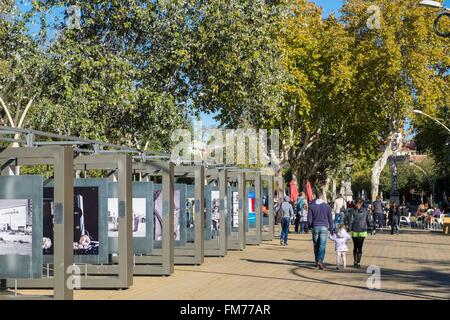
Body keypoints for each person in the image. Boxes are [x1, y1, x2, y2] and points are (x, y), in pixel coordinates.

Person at [307, 192, 333, 270]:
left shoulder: (312, 206)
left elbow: (309, 219)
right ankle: (320, 261)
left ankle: (316, 261)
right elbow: (330, 219)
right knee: (322, 245)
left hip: (315, 227)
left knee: (316, 245)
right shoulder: (327, 207)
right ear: (322, 196)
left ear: (316, 196)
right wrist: (332, 229)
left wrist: (310, 226)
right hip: (324, 227)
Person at [348, 198, 372, 268]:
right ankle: (355, 261)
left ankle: (358, 262)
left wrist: (371, 227)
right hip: (355, 230)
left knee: (360, 247)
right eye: (356, 203)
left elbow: (369, 220)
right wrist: (349, 228)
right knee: (355, 246)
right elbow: (351, 220)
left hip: (362, 230)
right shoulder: (352, 211)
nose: (357, 205)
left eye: (358, 203)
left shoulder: (365, 211)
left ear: (361, 203)